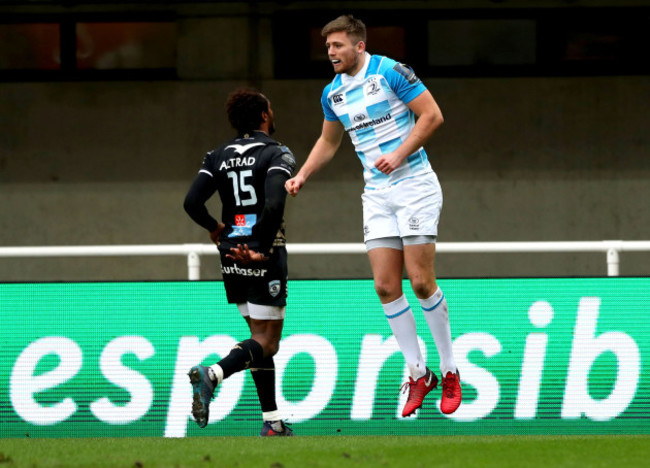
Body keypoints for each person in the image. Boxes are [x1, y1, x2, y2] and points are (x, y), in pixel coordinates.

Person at [285, 14, 461, 417]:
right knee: (385, 287)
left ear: (359, 46)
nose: (330, 52)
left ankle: (450, 371)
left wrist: (399, 155)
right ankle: (419, 373)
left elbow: (432, 115)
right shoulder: (333, 93)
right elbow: (329, 142)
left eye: (338, 45)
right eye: (327, 46)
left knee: (419, 282)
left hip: (415, 186)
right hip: (377, 195)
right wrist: (303, 175)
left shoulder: (391, 72)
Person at [184, 88, 296, 436]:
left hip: (231, 251)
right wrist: (260, 247)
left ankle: (272, 422)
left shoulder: (216, 156)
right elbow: (274, 206)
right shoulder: (277, 153)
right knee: (268, 341)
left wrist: (216, 228)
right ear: (264, 114)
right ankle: (213, 374)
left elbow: (191, 203)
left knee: (257, 340)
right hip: (262, 251)